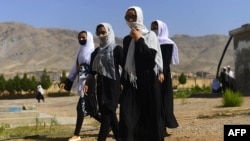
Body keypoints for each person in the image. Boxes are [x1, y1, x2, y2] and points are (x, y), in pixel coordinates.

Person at [119, 6, 164, 141]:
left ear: (139, 17)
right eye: (127, 17)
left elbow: (150, 59)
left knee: (149, 121)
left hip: (147, 83)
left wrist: (139, 39)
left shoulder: (150, 36)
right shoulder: (127, 39)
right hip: (131, 84)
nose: (130, 20)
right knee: (127, 121)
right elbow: (126, 62)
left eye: (132, 16)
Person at [83, 23, 123, 141]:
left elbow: (126, 68)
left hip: (113, 87)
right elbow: (92, 72)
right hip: (101, 87)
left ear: (109, 32)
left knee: (106, 115)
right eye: (99, 33)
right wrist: (87, 84)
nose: (101, 35)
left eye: (103, 32)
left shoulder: (117, 50)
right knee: (111, 117)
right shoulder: (96, 52)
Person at [60, 31, 101, 141]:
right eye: (80, 38)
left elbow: (95, 68)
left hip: (90, 83)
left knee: (80, 108)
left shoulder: (93, 51)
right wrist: (67, 81)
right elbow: (75, 68)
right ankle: (109, 124)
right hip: (82, 82)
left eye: (84, 37)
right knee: (92, 110)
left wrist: (83, 67)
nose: (82, 39)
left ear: (89, 38)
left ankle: (76, 134)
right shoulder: (80, 52)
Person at [151, 20, 179, 136]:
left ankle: (163, 128)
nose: (154, 31)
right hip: (151, 74)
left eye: (156, 28)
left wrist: (161, 72)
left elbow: (166, 61)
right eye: (152, 28)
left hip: (163, 75)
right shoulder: (150, 41)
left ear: (162, 29)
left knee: (163, 100)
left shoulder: (168, 43)